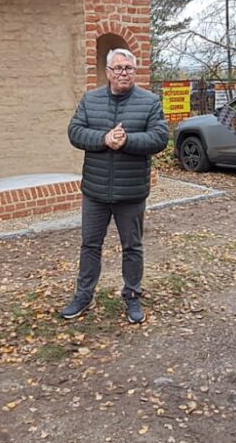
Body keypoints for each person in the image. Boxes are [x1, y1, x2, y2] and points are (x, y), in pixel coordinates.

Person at [60, 48, 169, 324]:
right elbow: (75, 132)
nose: (123, 73)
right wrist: (104, 139)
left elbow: (159, 138)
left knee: (132, 247)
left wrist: (128, 141)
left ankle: (132, 295)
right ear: (108, 72)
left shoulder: (150, 102)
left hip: (131, 192)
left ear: (135, 71)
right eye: (118, 68)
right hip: (95, 191)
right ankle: (83, 295)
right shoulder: (91, 99)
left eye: (129, 68)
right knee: (90, 246)